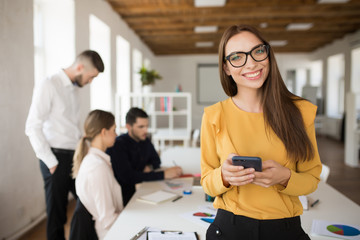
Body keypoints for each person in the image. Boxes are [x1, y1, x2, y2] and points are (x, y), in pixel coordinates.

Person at [200, 24, 322, 240]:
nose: (251, 63)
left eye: (257, 51)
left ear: (267, 54)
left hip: (285, 230)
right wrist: (224, 176)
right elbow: (207, 182)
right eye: (237, 57)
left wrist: (285, 177)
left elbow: (311, 179)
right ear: (226, 68)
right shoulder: (213, 115)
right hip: (230, 228)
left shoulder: (301, 111)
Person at [25, 50, 104, 240]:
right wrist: (51, 162)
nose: (90, 81)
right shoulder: (48, 85)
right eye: (90, 77)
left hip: (73, 156)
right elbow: (32, 126)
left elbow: (68, 126)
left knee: (86, 202)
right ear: (79, 67)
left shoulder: (75, 89)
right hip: (54, 158)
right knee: (57, 214)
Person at [107, 107, 183, 206]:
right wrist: (163, 174)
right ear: (129, 127)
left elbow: (156, 161)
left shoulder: (144, 140)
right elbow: (128, 177)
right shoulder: (118, 145)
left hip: (141, 191)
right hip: (124, 200)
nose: (145, 130)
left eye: (147, 126)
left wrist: (147, 168)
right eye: (141, 127)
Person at [72, 109, 123, 239]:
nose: (116, 134)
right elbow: (108, 220)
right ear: (104, 132)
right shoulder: (97, 167)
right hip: (109, 233)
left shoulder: (94, 160)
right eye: (114, 130)